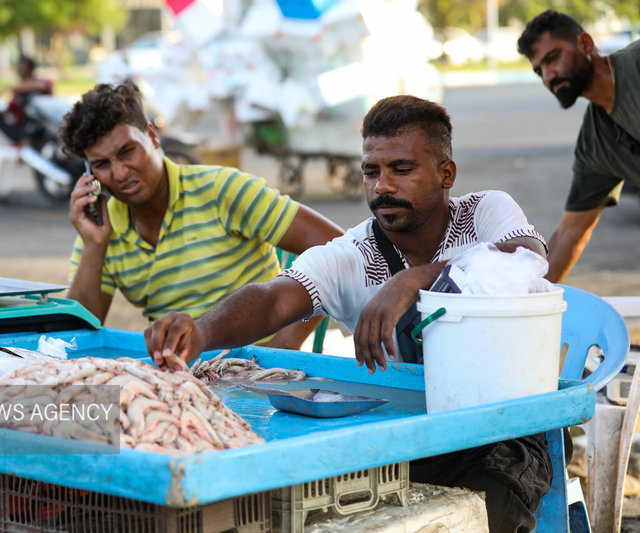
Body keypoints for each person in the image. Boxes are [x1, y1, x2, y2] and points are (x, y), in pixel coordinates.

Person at [145, 95, 552, 532]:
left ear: (445, 173)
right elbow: (274, 298)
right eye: (371, 172)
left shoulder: (485, 212)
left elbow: (525, 259)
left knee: (487, 509)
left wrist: (412, 280)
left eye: (402, 169)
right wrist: (202, 330)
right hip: (402, 439)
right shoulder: (354, 254)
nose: (383, 187)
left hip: (501, 435)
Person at [58, 82, 344, 350]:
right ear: (89, 173)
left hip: (262, 375)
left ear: (152, 136)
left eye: (127, 151)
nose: (119, 172)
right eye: (102, 164)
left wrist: (283, 347)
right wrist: (95, 245)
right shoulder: (100, 226)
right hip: (183, 377)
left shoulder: (223, 190)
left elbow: (343, 252)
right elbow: (76, 335)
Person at [517, 10, 640, 283]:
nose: (549, 76)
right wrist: (529, 302)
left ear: (585, 44)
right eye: (539, 71)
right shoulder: (596, 144)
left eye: (553, 58)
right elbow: (571, 234)